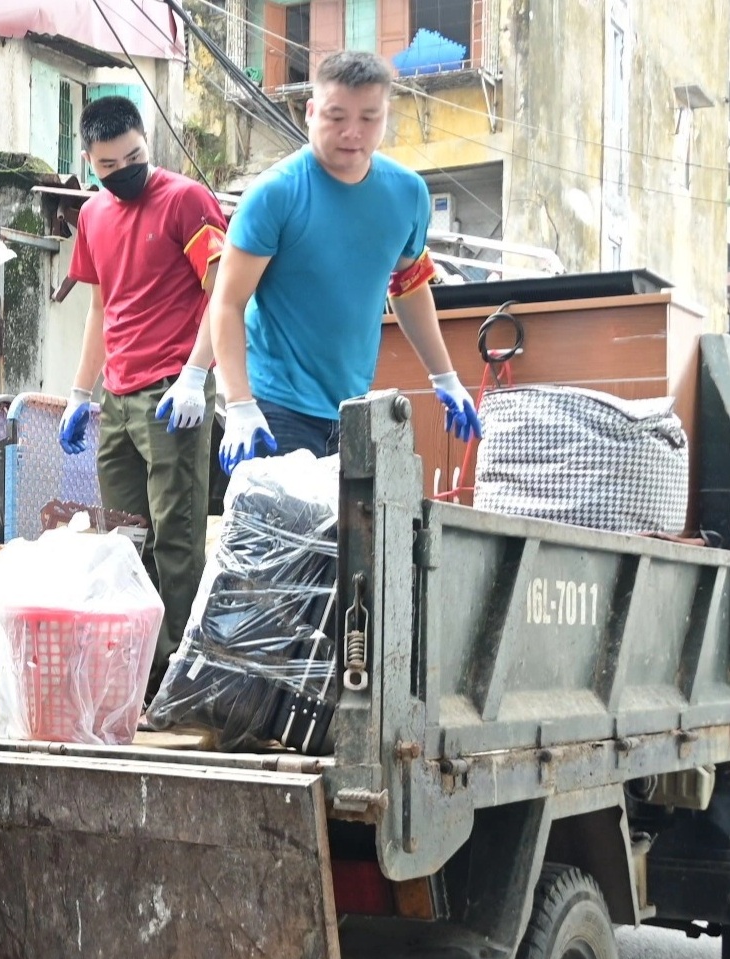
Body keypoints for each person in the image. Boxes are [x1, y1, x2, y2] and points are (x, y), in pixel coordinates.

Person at [211, 50, 481, 474]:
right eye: (337, 117)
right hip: (275, 407)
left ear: (386, 115)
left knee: (350, 539)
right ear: (311, 111)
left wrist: (444, 376)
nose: (352, 132)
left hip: (355, 411)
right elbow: (227, 302)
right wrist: (239, 403)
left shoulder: (408, 194)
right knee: (283, 539)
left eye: (369, 118)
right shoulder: (275, 194)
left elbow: (408, 286)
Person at [56, 94, 228, 693]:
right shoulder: (93, 217)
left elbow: (223, 292)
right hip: (117, 397)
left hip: (171, 394)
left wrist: (196, 375)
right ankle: (137, 672)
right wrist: (81, 391)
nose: (123, 169)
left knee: (176, 537)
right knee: (125, 541)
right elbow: (100, 306)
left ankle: (183, 676)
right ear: (88, 161)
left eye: (133, 156)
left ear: (146, 141)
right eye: (108, 164)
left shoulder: (185, 199)